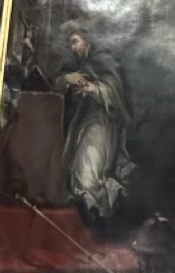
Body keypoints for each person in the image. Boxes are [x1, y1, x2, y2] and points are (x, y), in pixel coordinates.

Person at [56, 29, 134, 222]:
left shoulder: (103, 60)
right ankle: (95, 212)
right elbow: (55, 81)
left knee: (87, 173)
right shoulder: (76, 64)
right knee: (79, 173)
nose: (73, 47)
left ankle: (103, 209)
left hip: (102, 122)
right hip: (82, 122)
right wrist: (66, 79)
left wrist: (93, 89)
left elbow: (115, 91)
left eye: (75, 41)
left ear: (87, 40)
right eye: (70, 44)